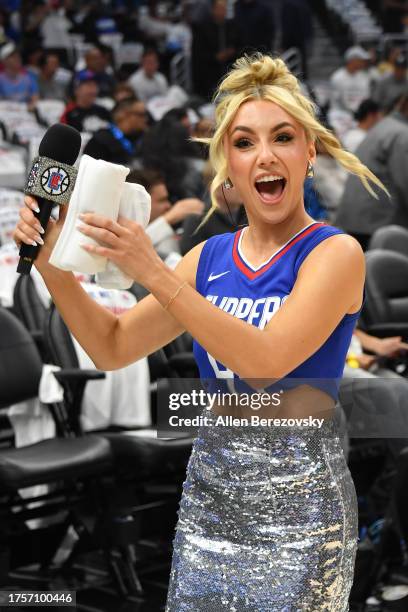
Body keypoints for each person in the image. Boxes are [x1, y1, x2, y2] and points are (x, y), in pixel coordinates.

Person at [14, 53, 387, 610]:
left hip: (300, 508)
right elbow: (112, 347)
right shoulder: (209, 258)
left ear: (310, 152)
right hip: (211, 495)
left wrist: (156, 273)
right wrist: (50, 264)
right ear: (227, 168)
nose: (264, 155)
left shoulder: (335, 253)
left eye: (282, 137)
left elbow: (265, 364)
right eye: (243, 142)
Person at [335, 87, 408, 250]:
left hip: (359, 218)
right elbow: (405, 182)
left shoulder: (385, 126)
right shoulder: (401, 134)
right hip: (375, 222)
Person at [127, 168, 205, 258]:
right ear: (141, 202)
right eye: (162, 200)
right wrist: (169, 218)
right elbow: (132, 244)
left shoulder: (168, 232)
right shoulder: (116, 230)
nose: (168, 205)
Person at [83, 97, 148, 165]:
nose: (145, 119)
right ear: (123, 115)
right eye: (141, 115)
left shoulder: (144, 139)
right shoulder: (100, 141)